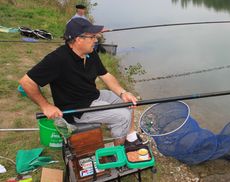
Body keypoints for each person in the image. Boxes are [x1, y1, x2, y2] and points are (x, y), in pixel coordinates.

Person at [19, 17, 142, 146]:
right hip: (76, 108)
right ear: (78, 39)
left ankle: (131, 137)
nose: (96, 40)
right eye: (92, 37)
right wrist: (45, 106)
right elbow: (26, 82)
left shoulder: (89, 52)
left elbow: (105, 75)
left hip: (92, 95)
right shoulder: (58, 59)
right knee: (122, 116)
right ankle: (119, 151)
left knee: (128, 102)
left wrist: (123, 93)